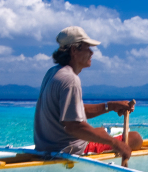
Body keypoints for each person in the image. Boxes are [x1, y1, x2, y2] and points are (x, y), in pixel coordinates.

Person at [33, 26, 142, 160]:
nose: (92, 53)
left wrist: (109, 106)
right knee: (135, 138)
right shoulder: (71, 80)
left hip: (45, 149)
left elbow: (71, 111)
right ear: (74, 50)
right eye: (87, 48)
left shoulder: (53, 73)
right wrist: (114, 142)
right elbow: (74, 127)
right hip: (71, 150)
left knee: (103, 132)